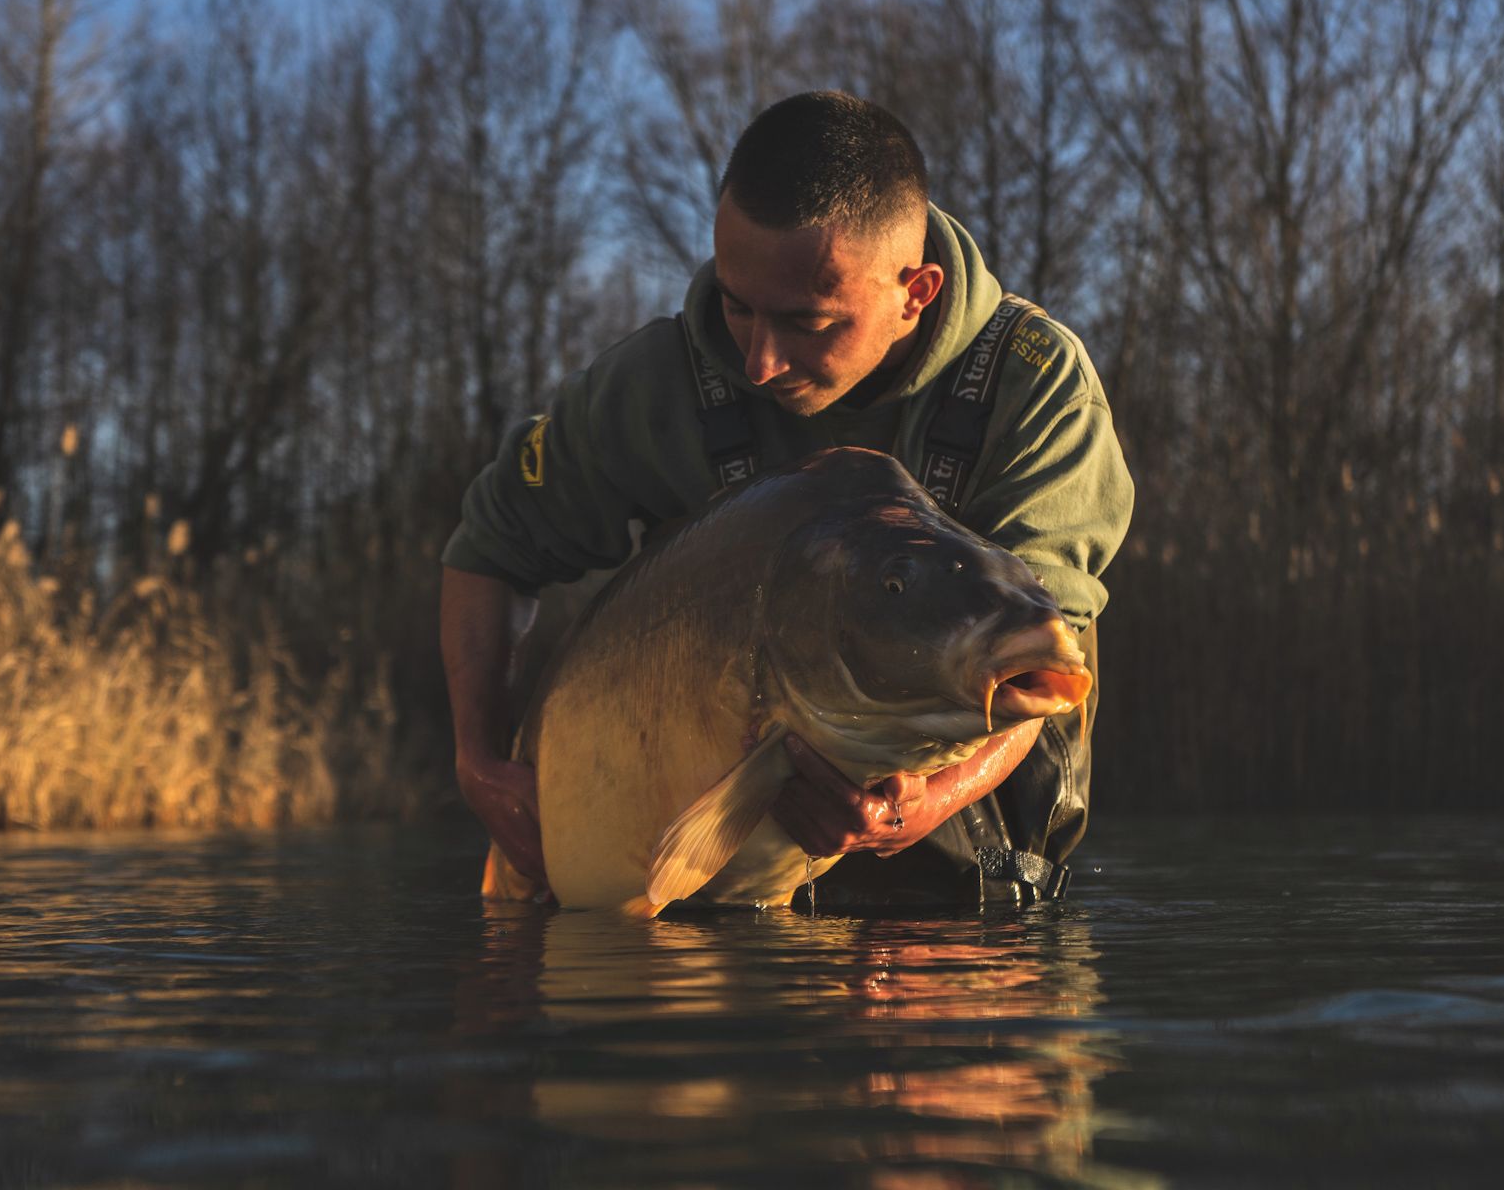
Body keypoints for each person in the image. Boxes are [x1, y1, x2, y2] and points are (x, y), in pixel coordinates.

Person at [441, 91, 1133, 910]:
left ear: (916, 290)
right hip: (682, 860)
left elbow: (1047, 645)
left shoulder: (1036, 384)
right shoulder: (652, 384)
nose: (761, 361)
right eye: (737, 304)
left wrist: (920, 805)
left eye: (807, 321)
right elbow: (489, 550)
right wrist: (479, 760)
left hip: (953, 891)